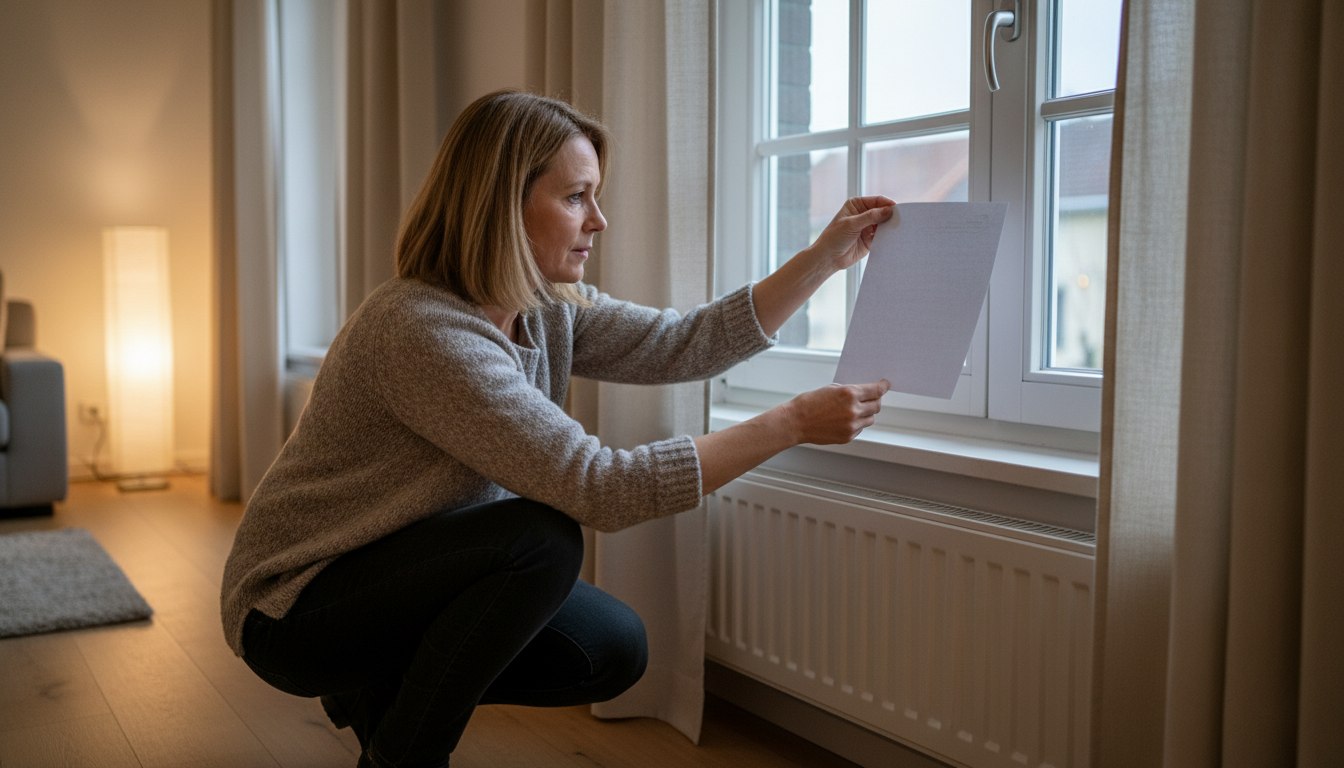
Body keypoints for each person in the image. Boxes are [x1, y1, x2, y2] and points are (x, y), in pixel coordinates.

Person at [220, 89, 894, 768]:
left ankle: (380, 690)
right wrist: (790, 422)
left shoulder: (545, 308)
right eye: (576, 197)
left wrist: (824, 258)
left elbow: (685, 342)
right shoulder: (421, 329)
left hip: (413, 572)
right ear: (502, 205)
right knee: (540, 539)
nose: (599, 220)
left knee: (611, 648)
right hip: (295, 605)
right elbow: (602, 488)